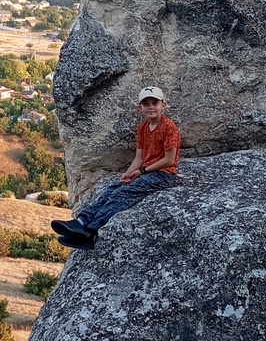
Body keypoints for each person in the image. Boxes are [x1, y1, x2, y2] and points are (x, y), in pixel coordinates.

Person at [51, 86, 181, 250]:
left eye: (155, 103)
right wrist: (128, 174)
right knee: (110, 191)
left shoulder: (169, 127)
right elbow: (139, 158)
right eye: (146, 104)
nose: (151, 107)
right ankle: (80, 222)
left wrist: (142, 172)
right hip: (145, 172)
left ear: (163, 105)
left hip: (163, 175)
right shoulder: (143, 128)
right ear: (140, 107)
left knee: (122, 195)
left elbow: (169, 160)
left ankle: (90, 232)